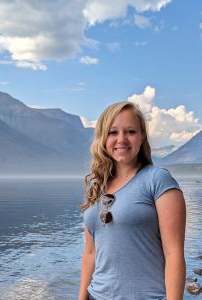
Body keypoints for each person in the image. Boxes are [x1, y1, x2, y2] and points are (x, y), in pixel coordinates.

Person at [78, 101, 186, 300]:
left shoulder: (157, 180)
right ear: (103, 138)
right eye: (113, 132)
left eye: (130, 131)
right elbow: (90, 253)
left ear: (142, 136)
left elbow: (174, 254)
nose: (122, 139)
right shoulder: (96, 188)